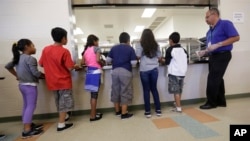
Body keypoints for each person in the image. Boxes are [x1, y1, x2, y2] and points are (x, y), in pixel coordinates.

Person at [198, 8, 240, 109]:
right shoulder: (209, 31)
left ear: (215, 15)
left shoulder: (225, 24)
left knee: (212, 78)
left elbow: (236, 37)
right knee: (218, 79)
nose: (206, 20)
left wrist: (219, 44)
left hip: (222, 54)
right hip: (213, 56)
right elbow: (210, 46)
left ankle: (211, 103)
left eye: (207, 17)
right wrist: (205, 52)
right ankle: (221, 101)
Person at [39, 27, 79, 131]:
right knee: (64, 103)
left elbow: (41, 64)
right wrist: (76, 66)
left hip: (52, 82)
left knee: (59, 102)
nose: (67, 40)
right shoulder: (64, 51)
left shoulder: (45, 49)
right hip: (63, 81)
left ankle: (64, 118)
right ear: (62, 38)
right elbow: (70, 67)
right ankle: (61, 125)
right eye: (66, 38)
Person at [5, 39, 44, 138]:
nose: (35, 48)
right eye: (33, 46)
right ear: (27, 47)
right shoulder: (30, 59)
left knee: (26, 105)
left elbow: (7, 66)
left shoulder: (18, 57)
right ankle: (27, 130)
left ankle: (28, 124)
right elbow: (35, 73)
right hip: (30, 86)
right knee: (31, 106)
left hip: (22, 85)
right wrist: (46, 76)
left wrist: (17, 75)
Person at [106, 32, 137, 120]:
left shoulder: (114, 48)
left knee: (115, 91)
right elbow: (133, 63)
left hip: (114, 71)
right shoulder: (130, 49)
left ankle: (117, 111)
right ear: (128, 40)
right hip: (126, 71)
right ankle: (124, 114)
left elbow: (108, 60)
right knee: (125, 91)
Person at [135, 29, 162, 118]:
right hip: (154, 69)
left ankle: (148, 112)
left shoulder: (140, 44)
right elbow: (160, 57)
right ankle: (158, 110)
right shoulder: (156, 45)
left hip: (144, 70)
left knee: (146, 90)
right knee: (154, 89)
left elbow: (138, 56)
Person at [81, 34, 103, 121]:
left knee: (92, 95)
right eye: (97, 41)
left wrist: (89, 63)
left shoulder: (86, 50)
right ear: (94, 41)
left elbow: (82, 63)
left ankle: (93, 113)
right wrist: (102, 62)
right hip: (96, 73)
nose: (98, 43)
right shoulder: (97, 48)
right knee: (94, 95)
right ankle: (93, 116)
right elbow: (97, 60)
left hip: (89, 73)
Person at [165, 32, 188, 113]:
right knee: (179, 90)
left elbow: (167, 62)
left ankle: (178, 107)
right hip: (182, 73)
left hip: (174, 73)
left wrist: (162, 60)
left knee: (176, 91)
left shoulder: (170, 49)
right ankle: (177, 105)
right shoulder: (184, 50)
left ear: (171, 40)